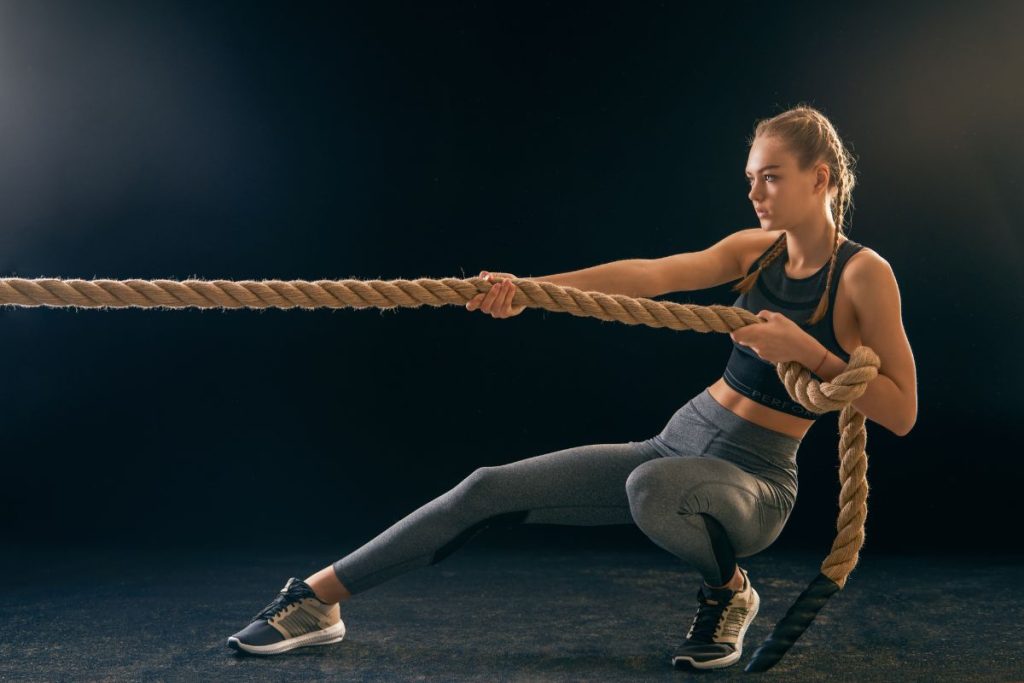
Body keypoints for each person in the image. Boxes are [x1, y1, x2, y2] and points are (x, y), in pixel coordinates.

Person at [226, 105, 917, 670]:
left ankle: (730, 591)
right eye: (750, 179)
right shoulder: (754, 251)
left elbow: (902, 410)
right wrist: (532, 292)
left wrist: (809, 352)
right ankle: (317, 599)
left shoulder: (862, 276)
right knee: (487, 486)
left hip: (755, 482)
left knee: (655, 489)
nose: (754, 193)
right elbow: (650, 275)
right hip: (677, 440)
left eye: (769, 178)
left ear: (819, 177)